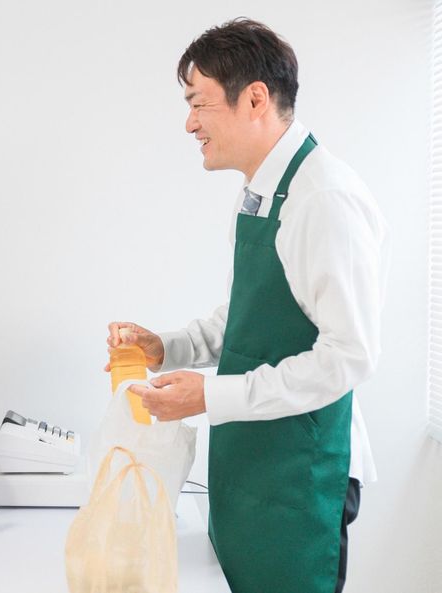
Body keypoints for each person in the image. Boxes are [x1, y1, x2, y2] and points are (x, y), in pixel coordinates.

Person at [106, 19, 388, 593]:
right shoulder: (262, 188)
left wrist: (208, 395)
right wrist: (168, 347)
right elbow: (251, 311)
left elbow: (347, 358)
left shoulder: (323, 198)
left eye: (198, 103)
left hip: (302, 475)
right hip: (256, 465)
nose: (189, 123)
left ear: (255, 99)